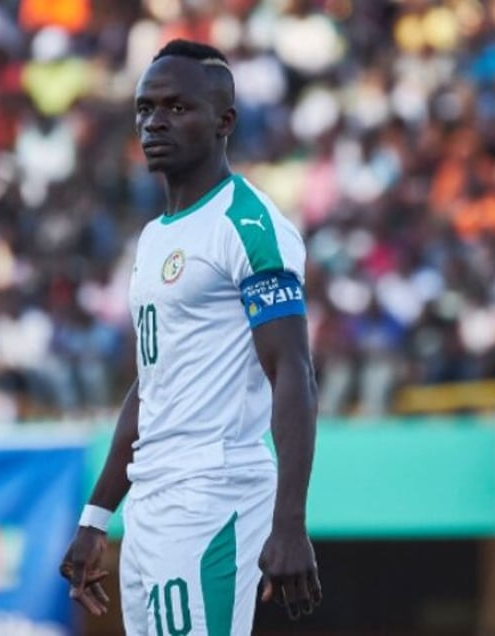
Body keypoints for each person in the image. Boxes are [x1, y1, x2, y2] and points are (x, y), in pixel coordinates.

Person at [59, 39, 322, 634]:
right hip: (152, 499)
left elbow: (294, 373)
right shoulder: (154, 237)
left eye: (177, 108)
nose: (154, 121)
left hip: (214, 491)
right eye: (145, 107)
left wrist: (290, 521)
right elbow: (151, 387)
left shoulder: (248, 224)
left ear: (224, 120)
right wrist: (96, 517)